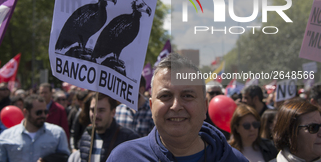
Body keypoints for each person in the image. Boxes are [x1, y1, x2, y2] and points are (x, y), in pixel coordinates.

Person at [107, 53, 247, 162]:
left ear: (205, 106)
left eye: (187, 96)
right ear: (151, 106)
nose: (176, 106)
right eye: (165, 96)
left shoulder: (235, 159)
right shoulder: (123, 157)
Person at [0, 94, 70, 162]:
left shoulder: (57, 133)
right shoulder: (6, 136)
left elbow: (65, 157)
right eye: (39, 112)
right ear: (26, 112)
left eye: (45, 112)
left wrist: (48, 160)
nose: (43, 115)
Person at [69, 92, 139, 162]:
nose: (96, 115)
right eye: (92, 110)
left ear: (113, 112)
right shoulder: (86, 136)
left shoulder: (128, 139)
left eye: (101, 110)